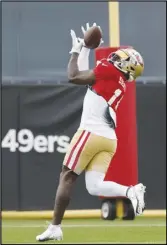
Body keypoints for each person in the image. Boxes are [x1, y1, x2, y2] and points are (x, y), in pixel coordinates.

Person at [36, 23, 146, 242]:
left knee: (67, 176)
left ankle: (55, 227)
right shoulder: (120, 82)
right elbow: (87, 78)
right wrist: (87, 49)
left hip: (90, 132)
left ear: (127, 65)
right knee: (94, 186)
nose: (118, 56)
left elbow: (74, 76)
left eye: (123, 57)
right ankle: (129, 191)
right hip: (108, 139)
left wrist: (77, 50)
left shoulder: (109, 70)